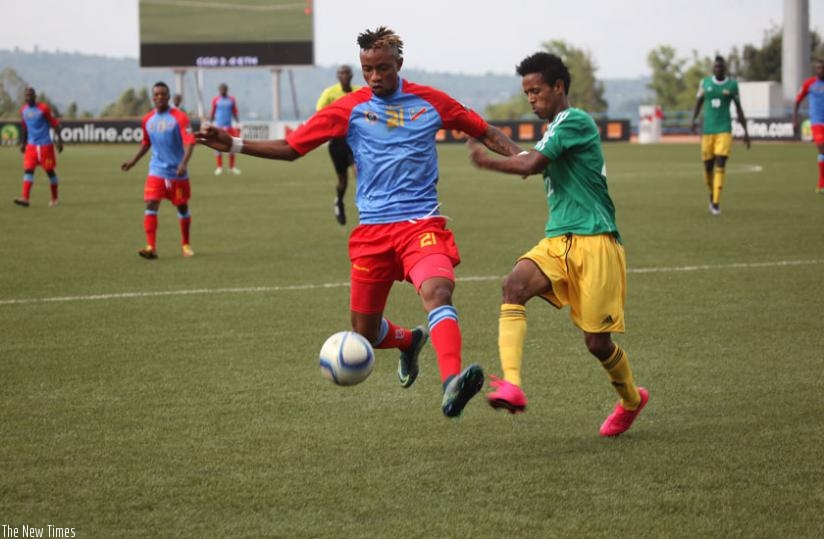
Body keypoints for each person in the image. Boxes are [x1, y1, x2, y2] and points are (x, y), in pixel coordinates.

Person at [196, 26, 522, 418]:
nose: (374, 77)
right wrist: (233, 143)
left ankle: (451, 381)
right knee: (365, 332)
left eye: (382, 68)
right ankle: (407, 341)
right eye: (368, 69)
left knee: (437, 291)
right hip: (372, 233)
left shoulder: (431, 102)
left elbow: (483, 131)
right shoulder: (348, 108)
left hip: (421, 225)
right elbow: (292, 148)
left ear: (399, 64)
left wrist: (524, 160)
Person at [466, 52, 649, 437]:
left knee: (597, 344)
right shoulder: (554, 130)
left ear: (558, 87)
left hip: (597, 242)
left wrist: (486, 162)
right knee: (512, 285)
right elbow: (524, 156)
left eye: (536, 91)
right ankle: (512, 384)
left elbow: (528, 165)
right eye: (526, 93)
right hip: (558, 241)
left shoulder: (576, 121)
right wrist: (483, 131)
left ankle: (632, 399)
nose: (531, 99)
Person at [121, 81, 195, 260]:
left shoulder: (179, 117)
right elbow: (146, 143)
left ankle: (185, 245)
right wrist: (133, 161)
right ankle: (150, 247)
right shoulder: (147, 119)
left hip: (177, 172)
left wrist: (183, 163)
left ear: (168, 97)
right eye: (156, 95)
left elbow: (190, 142)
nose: (160, 97)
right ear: (153, 98)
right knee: (151, 203)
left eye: (163, 94)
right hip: (156, 170)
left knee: (182, 206)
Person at [691, 55, 750, 216]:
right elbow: (698, 103)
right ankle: (712, 195)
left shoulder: (732, 85)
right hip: (708, 131)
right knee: (708, 168)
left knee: (720, 163)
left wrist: (746, 132)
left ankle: (716, 203)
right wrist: (693, 119)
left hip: (724, 129)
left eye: (720, 67)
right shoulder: (705, 83)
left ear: (724, 69)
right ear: (713, 69)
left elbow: (739, 109)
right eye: (715, 67)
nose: (717, 69)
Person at [316, 65, 361, 225]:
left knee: (359, 173)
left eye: (347, 73)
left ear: (351, 76)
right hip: (337, 142)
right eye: (341, 73)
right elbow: (320, 113)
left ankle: (367, 210)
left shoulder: (359, 92)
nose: (344, 76)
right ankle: (339, 202)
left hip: (355, 140)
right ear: (337, 76)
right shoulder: (330, 93)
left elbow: (370, 110)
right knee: (343, 181)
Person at [14, 87, 63, 208]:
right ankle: (25, 198)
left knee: (50, 172)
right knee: (28, 170)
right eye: (26, 95)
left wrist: (59, 141)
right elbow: (25, 127)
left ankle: (54, 198)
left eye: (30, 95)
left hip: (45, 146)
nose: (28, 97)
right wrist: (23, 143)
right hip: (31, 147)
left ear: (35, 96)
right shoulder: (23, 110)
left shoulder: (43, 108)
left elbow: (55, 124)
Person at [792, 59, 824, 193]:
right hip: (816, 122)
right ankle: (821, 184)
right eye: (818, 68)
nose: (820, 71)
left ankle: (821, 185)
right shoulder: (809, 84)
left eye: (822, 68)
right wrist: (795, 119)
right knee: (822, 149)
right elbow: (797, 100)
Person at [210, 83, 240, 175]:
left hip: (229, 127)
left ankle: (232, 167)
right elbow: (213, 112)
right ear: (219, 91)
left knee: (232, 146)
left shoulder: (231, 100)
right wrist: (209, 122)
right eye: (220, 90)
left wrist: (238, 123)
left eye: (223, 90)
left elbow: (234, 112)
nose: (222, 91)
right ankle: (219, 167)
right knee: (218, 147)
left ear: (226, 90)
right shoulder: (216, 100)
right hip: (219, 127)